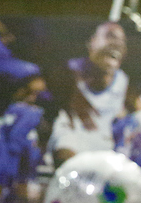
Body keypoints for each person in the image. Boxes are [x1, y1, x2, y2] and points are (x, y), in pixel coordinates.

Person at [48, 21, 129, 164]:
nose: (118, 43)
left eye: (122, 41)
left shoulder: (123, 80)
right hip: (71, 137)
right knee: (70, 164)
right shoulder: (69, 70)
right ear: (92, 42)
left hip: (103, 145)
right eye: (111, 36)